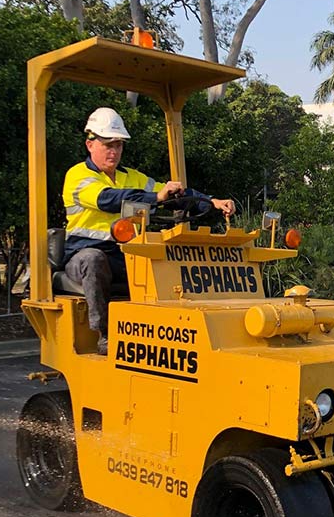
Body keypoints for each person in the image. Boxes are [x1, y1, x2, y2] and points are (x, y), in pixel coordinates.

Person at [62, 107, 235, 355]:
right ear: (90, 144)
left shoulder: (131, 177)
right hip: (81, 255)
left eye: (119, 145)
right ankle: (105, 335)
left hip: (124, 254)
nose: (114, 151)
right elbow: (109, 199)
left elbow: (172, 193)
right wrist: (155, 196)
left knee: (166, 256)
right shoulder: (78, 176)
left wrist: (211, 201)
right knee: (94, 259)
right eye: (108, 144)